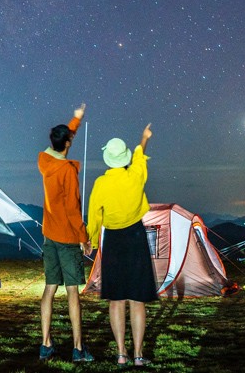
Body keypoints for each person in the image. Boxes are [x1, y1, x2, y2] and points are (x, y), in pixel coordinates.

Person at [87, 123, 156, 367]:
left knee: (116, 300)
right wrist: (144, 137)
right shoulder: (135, 175)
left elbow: (94, 214)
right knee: (137, 300)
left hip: (114, 240)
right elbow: (139, 156)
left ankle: (120, 354)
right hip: (136, 237)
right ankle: (138, 355)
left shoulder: (101, 184)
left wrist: (92, 240)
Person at [38, 103, 94, 363]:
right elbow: (73, 210)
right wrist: (85, 239)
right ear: (68, 144)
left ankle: (46, 343)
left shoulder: (44, 161)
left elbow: (63, 139)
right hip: (68, 238)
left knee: (50, 288)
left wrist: (76, 119)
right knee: (72, 292)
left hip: (49, 236)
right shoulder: (67, 172)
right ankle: (78, 348)